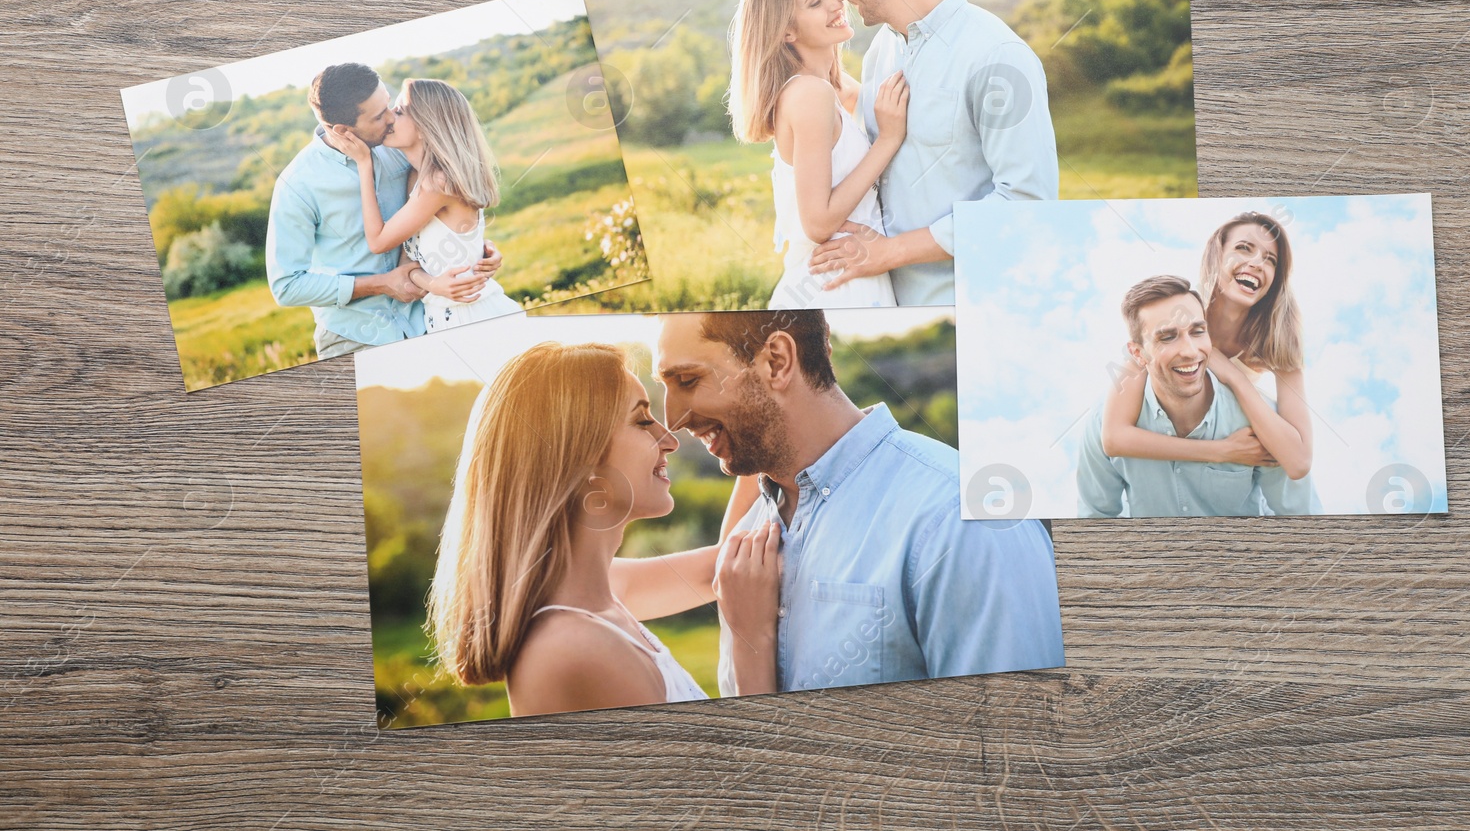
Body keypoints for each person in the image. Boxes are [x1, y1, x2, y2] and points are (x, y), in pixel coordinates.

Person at [653, 309, 1065, 695]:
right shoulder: (748, 536)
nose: (671, 419)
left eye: (687, 381)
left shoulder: (962, 518)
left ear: (776, 361)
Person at [426, 341, 768, 717]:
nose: (669, 440)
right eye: (641, 421)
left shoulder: (593, 593)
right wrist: (753, 639)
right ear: (580, 464)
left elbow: (726, 564)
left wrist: (757, 431)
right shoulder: (576, 651)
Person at [808, 0, 1059, 306]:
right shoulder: (881, 51)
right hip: (888, 299)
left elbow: (1028, 202)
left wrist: (892, 251)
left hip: (975, 305)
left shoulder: (996, 56)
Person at [265, 62, 500, 358]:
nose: (391, 118)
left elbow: (447, 201)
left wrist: (476, 250)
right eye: (379, 116)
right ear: (342, 130)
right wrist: (381, 285)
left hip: (427, 319)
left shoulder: (398, 145)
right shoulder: (297, 184)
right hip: (354, 338)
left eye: (391, 105)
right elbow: (287, 286)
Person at [729, 0, 907, 309]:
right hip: (834, 286)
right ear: (786, 31)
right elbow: (818, 222)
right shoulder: (810, 94)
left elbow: (862, 97)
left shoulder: (830, 89)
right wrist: (887, 140)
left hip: (851, 276)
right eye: (815, 2)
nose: (835, 3)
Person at [1078, 275, 1317, 518]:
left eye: (1198, 331)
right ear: (1137, 354)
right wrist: (1222, 451)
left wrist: (1237, 379)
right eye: (1167, 337)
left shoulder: (1260, 422)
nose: (1190, 351)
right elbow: (1094, 518)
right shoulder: (1105, 416)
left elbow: (1302, 517)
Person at [1100, 211, 1314, 482]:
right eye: (1243, 248)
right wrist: (1221, 451)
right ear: (1217, 255)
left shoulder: (1279, 338)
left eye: (1270, 260)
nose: (1257, 263)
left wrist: (1234, 376)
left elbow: (1298, 463)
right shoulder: (1177, 312)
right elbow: (1113, 437)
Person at [324, 78, 523, 333]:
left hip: (473, 316)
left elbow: (378, 241)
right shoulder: (417, 178)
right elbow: (409, 261)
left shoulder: (437, 184)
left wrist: (364, 164)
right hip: (441, 319)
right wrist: (431, 283)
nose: (390, 118)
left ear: (426, 124)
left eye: (400, 111)